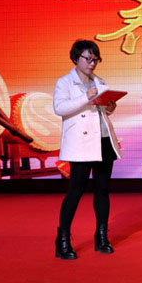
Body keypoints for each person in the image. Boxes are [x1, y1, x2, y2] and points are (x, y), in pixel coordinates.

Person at [53, 40, 122, 260]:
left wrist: (109, 106)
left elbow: (101, 111)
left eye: (95, 59)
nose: (92, 63)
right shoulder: (64, 82)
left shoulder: (99, 81)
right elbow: (59, 108)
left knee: (102, 190)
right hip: (81, 143)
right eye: (88, 58)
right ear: (76, 58)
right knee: (75, 190)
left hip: (103, 139)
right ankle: (63, 240)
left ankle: (102, 237)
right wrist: (85, 96)